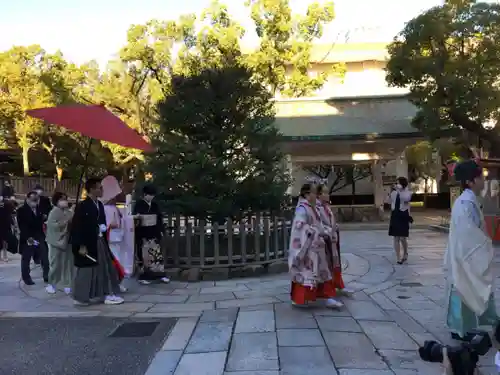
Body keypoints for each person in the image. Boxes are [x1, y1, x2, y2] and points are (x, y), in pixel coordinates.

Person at [444, 159, 497, 341]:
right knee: (465, 287)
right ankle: (461, 328)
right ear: (470, 181)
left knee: (467, 287)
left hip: (463, 255)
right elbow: (468, 235)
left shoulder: (467, 201)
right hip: (465, 256)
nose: (483, 181)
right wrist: (485, 244)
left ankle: (467, 325)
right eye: (479, 177)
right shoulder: (465, 203)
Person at [288, 183, 343, 309]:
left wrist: (327, 231)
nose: (316, 195)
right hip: (307, 248)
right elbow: (300, 227)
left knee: (323, 272)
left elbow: (319, 225)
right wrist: (316, 232)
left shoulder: (314, 208)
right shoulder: (302, 209)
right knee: (306, 273)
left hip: (317, 246)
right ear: (307, 194)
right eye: (314, 193)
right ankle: (300, 299)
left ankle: (327, 297)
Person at [71, 177, 124, 306]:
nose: (102, 190)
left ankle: (105, 293)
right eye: (99, 188)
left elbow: (101, 221)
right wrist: (81, 245)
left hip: (99, 240)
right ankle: (81, 297)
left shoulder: (99, 204)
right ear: (92, 189)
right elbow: (77, 227)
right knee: (86, 270)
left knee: (104, 268)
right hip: (87, 241)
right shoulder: (82, 206)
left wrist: (103, 227)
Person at [316, 184, 353, 296]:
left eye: (327, 192)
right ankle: (327, 290)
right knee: (327, 265)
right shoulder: (317, 208)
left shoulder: (326, 207)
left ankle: (338, 284)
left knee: (335, 263)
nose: (327, 195)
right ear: (318, 195)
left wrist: (335, 227)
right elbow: (319, 225)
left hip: (332, 239)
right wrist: (329, 231)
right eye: (324, 193)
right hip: (324, 240)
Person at [133, 184, 170, 285]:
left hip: (154, 232)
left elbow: (159, 218)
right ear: (144, 194)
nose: (151, 196)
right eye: (149, 194)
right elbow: (136, 218)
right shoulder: (139, 204)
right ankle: (143, 276)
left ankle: (160, 275)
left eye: (153, 195)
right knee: (144, 256)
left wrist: (161, 230)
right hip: (143, 232)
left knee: (156, 255)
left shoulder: (154, 205)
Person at [101, 175, 129, 292]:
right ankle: (114, 283)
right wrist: (110, 226)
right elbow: (103, 225)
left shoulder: (113, 207)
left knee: (119, 261)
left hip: (117, 237)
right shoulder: (105, 208)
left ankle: (117, 282)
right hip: (110, 238)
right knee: (114, 262)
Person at [45, 192, 75, 295]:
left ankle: (67, 284)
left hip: (67, 241)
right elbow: (53, 226)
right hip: (56, 241)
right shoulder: (54, 212)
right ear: (56, 201)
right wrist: (67, 221)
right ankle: (51, 284)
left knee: (68, 264)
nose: (65, 201)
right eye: (62, 199)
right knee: (56, 264)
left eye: (65, 199)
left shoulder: (68, 211)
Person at [17, 191, 49, 285]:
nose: (35, 201)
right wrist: (28, 237)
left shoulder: (39, 209)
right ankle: (26, 277)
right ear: (27, 199)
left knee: (45, 256)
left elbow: (40, 221)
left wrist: (43, 218)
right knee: (26, 258)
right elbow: (22, 226)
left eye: (36, 199)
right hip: (28, 237)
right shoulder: (21, 210)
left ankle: (46, 275)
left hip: (39, 236)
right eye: (33, 199)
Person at [388, 177, 412, 264]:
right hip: (395, 215)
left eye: (398, 183)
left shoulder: (407, 193)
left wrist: (399, 191)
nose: (396, 185)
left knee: (402, 237)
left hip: (403, 215)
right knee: (396, 237)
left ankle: (405, 253)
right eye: (396, 183)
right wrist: (390, 193)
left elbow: (406, 200)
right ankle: (398, 257)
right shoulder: (394, 193)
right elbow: (389, 202)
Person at [0, 196, 16, 262]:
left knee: (4, 243)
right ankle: (4, 256)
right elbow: (10, 221)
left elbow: (11, 220)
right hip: (4, 229)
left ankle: (4, 256)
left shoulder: (6, 212)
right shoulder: (6, 212)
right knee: (4, 243)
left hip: (4, 229)